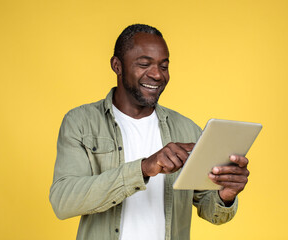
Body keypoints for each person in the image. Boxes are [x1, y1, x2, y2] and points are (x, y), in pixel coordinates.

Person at [49, 24, 250, 240]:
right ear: (117, 66)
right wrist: (144, 168)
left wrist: (226, 196)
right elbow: (63, 202)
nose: (157, 75)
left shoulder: (187, 129)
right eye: (144, 64)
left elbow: (211, 210)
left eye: (164, 66)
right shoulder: (81, 122)